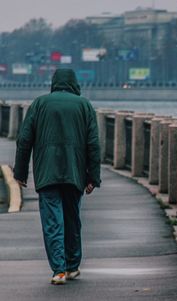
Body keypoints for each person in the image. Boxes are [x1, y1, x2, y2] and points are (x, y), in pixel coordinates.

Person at [14, 68, 101, 285]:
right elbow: (93, 145)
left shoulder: (39, 104)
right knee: (72, 219)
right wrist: (93, 177)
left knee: (53, 221)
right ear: (74, 83)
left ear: (54, 82)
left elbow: (24, 140)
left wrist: (21, 173)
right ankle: (72, 266)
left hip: (47, 173)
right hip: (75, 173)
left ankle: (58, 270)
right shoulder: (84, 106)